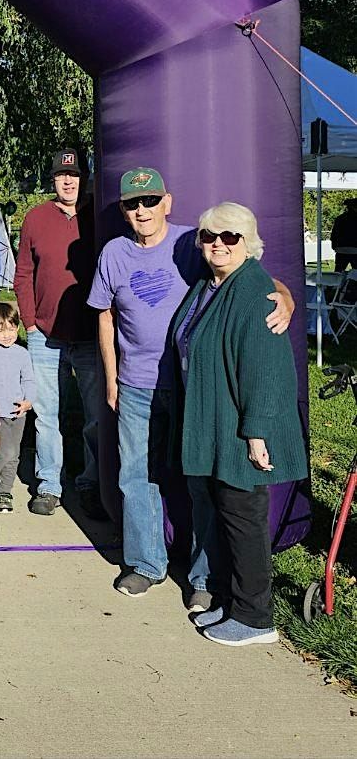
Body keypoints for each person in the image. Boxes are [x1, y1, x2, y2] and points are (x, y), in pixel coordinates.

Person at [89, 169, 295, 604]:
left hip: (192, 386)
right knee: (136, 476)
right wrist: (111, 378)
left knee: (200, 480)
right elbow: (104, 315)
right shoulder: (114, 254)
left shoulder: (195, 241)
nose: (142, 210)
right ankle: (145, 564)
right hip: (136, 385)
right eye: (132, 204)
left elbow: (244, 273)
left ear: (167, 201)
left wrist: (284, 293)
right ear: (124, 211)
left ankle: (204, 577)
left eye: (149, 201)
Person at [171, 204, 307, 646]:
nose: (218, 244)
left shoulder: (254, 292)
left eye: (230, 237)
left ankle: (255, 618)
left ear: (249, 243)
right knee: (227, 516)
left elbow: (266, 370)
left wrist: (257, 431)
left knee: (244, 517)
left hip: (240, 428)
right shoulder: (211, 286)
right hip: (216, 422)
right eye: (210, 236)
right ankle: (233, 603)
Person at [12, 148, 105, 519]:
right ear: (52, 180)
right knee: (47, 414)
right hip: (45, 335)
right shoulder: (35, 218)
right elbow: (23, 274)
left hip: (88, 335)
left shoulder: (98, 216)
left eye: (75, 175)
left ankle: (92, 482)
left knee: (94, 414)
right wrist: (30, 322)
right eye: (61, 175)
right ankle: (49, 484)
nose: (68, 181)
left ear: (85, 178)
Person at [0, 302, 36, 513]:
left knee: (14, 454)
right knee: (4, 451)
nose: (7, 334)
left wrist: (29, 400)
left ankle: (5, 491)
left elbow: (28, 380)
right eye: (0, 330)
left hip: (18, 412)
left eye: (12, 328)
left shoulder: (21, 353)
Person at [330, 198, 357, 273]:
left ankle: (336, 284)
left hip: (341, 249)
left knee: (338, 273)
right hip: (355, 249)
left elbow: (334, 234)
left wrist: (334, 246)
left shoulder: (340, 218)